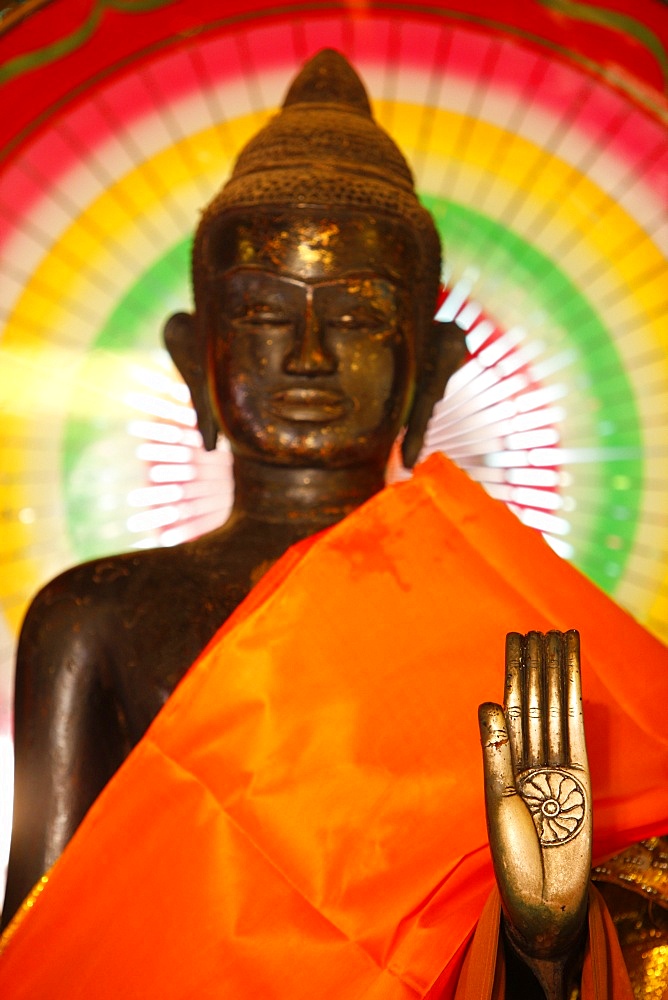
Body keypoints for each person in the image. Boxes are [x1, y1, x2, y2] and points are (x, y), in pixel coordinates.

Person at [2, 51, 666, 999]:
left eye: (356, 318)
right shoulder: (94, 617)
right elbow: (45, 940)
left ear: (428, 367)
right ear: (199, 356)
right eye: (266, 314)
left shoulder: (512, 622)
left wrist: (548, 942)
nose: (309, 357)